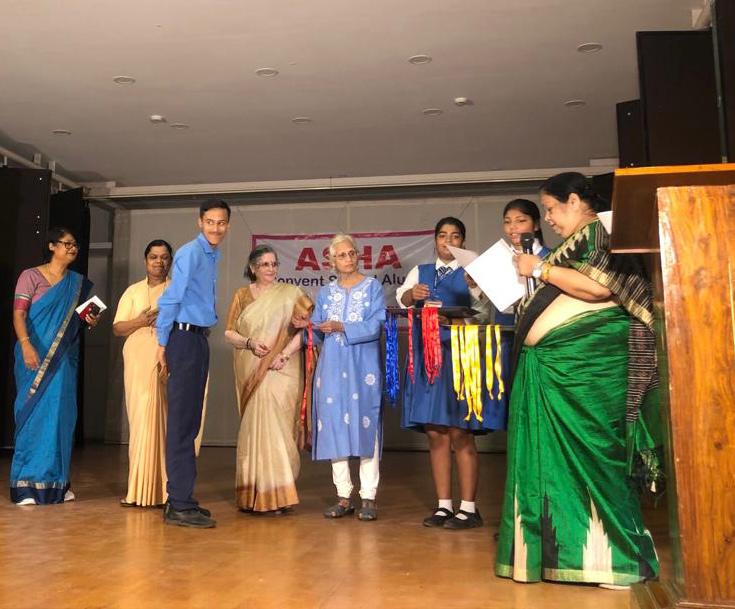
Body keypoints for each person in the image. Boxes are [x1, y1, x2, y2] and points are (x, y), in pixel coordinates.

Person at [495, 172, 660, 587]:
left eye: (551, 208)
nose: (548, 218)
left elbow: (598, 288)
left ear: (573, 200)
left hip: (586, 370)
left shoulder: (600, 233)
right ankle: (562, 555)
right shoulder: (575, 242)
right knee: (550, 465)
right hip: (553, 371)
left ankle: (621, 559)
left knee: (595, 456)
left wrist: (540, 268)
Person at [397, 217, 506, 530]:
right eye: (442, 235)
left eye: (455, 236)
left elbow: (486, 314)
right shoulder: (420, 272)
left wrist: (472, 293)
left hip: (461, 357)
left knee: (461, 431)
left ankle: (469, 508)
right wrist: (411, 296)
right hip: (428, 357)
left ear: (463, 241)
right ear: (434, 240)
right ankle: (444, 505)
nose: (448, 241)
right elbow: (403, 300)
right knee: (436, 432)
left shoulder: (474, 272)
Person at [156, 199, 230, 528]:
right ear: (200, 222)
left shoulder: (212, 255)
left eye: (221, 222)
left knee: (190, 423)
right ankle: (179, 504)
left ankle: (182, 497)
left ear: (227, 225)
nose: (216, 227)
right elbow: (171, 298)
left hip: (198, 338)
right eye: (210, 221)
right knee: (182, 423)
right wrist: (162, 343)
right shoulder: (190, 253)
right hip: (183, 339)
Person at [10, 227, 98, 505]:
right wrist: (26, 344)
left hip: (63, 360)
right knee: (33, 415)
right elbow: (19, 314)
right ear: (51, 246)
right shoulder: (30, 276)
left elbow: (77, 322)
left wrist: (90, 320)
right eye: (67, 243)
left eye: (75, 245)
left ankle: (57, 484)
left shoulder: (77, 283)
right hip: (33, 355)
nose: (72, 248)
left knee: (61, 416)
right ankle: (25, 485)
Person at [224, 245, 313, 514]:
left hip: (283, 369)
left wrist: (284, 354)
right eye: (265, 264)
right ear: (253, 268)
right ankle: (253, 494)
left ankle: (279, 494)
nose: (271, 269)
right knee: (254, 429)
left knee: (279, 428)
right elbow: (229, 333)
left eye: (274, 264)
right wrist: (250, 343)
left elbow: (307, 329)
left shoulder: (292, 294)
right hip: (253, 370)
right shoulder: (241, 295)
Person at [304, 234, 386, 521]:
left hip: (363, 367)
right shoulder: (326, 293)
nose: (348, 258)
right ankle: (343, 496)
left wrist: (342, 327)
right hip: (332, 367)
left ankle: (369, 497)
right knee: (334, 426)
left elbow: (376, 325)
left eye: (352, 253)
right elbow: (316, 332)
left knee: (366, 426)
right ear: (331, 261)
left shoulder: (372, 287)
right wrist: (306, 327)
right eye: (342, 255)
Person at [113, 239, 177, 508]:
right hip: (137, 358)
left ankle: (164, 490)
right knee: (139, 420)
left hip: (165, 356)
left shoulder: (176, 290)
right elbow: (118, 328)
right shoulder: (132, 291)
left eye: (164, 257)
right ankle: (138, 489)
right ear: (145, 260)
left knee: (163, 420)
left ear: (170, 261)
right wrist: (140, 321)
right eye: (154, 257)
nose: (159, 262)